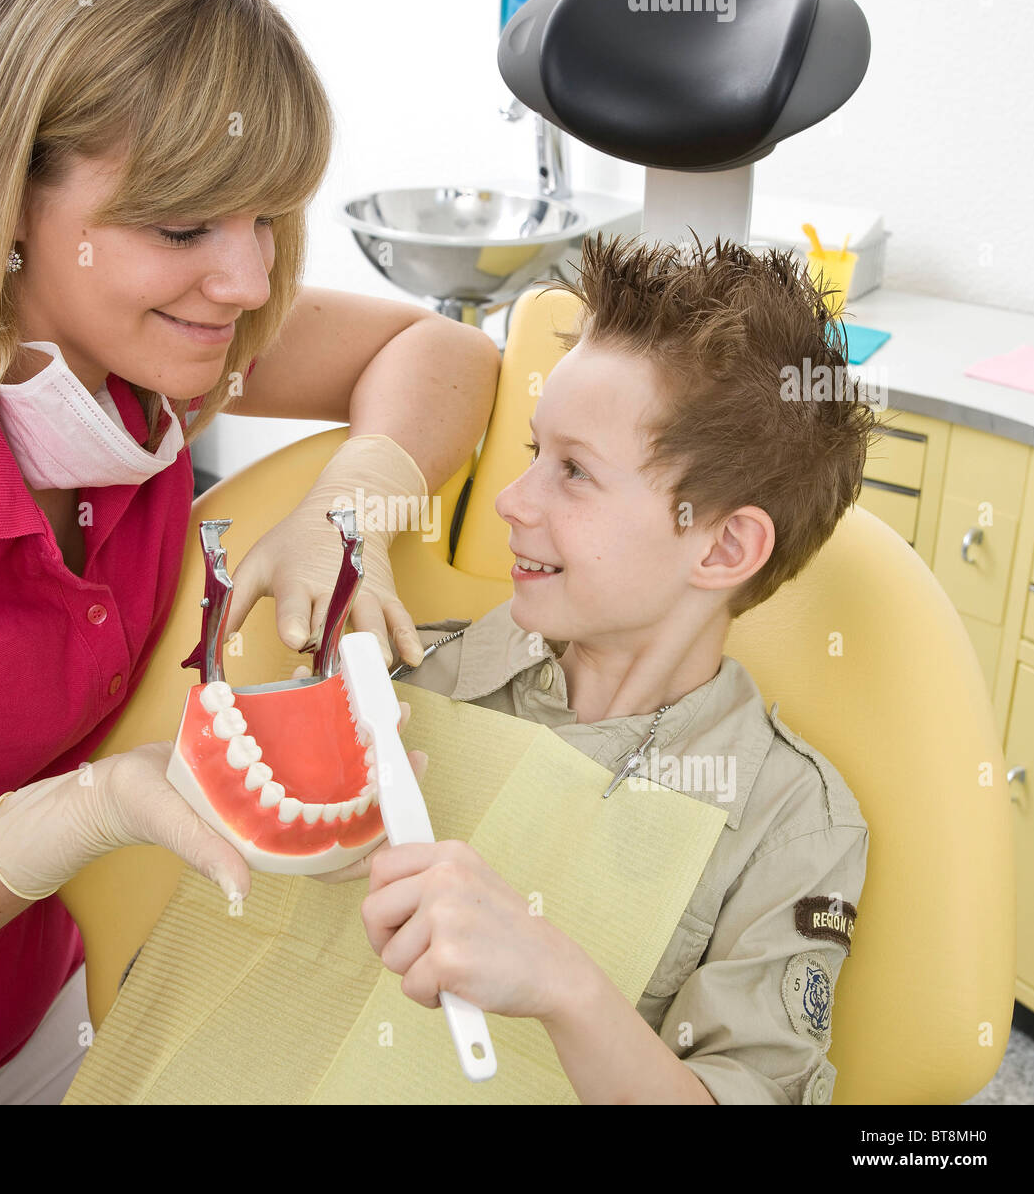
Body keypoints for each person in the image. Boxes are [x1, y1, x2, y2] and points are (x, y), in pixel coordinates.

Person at [0, 0, 498, 1105]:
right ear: (6, 197)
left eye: (267, 217)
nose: (247, 282)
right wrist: (69, 818)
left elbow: (439, 351)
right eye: (183, 227)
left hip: (41, 1029)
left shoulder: (148, 356)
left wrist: (353, 503)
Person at [371, 233, 877, 1104]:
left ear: (723, 546)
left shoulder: (789, 825)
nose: (512, 500)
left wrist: (563, 983)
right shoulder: (416, 676)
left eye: (574, 471)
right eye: (533, 451)